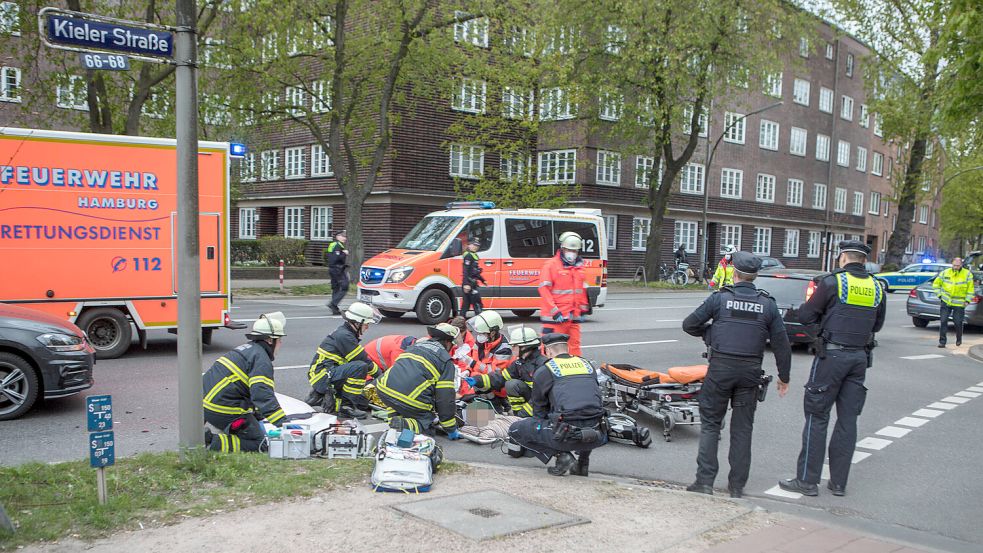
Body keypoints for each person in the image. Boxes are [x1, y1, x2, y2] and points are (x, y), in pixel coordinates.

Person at [779, 240, 886, 497]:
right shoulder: (877, 286)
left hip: (831, 357)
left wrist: (822, 327)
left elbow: (806, 315)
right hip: (859, 358)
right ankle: (838, 483)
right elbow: (877, 326)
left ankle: (807, 480)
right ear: (864, 260)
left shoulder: (833, 282)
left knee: (817, 417)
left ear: (843, 258)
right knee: (848, 421)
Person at [681, 252, 792, 498]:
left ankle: (705, 482)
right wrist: (784, 377)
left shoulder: (720, 299)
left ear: (734, 273)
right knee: (742, 430)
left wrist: (711, 335)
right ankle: (736, 487)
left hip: (720, 369)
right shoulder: (768, 304)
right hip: (750, 373)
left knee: (710, 425)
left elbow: (689, 324)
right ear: (755, 276)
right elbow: (782, 344)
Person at [508, 333, 607, 477]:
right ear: (567, 348)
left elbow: (539, 412)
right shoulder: (587, 365)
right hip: (597, 435)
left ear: (547, 351)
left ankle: (562, 456)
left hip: (565, 436)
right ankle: (582, 463)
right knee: (586, 412)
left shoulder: (546, 370)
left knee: (515, 430)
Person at [202, 312, 287, 453]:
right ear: (270, 340)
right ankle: (212, 442)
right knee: (259, 444)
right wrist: (283, 424)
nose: (281, 343)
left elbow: (246, 390)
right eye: (279, 339)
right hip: (223, 408)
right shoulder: (261, 360)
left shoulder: (247, 350)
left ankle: (212, 439)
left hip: (206, 404)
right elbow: (262, 395)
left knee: (251, 427)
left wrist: (256, 415)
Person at [376, 323, 462, 438]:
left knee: (398, 400)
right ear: (447, 342)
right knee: (426, 423)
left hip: (383, 390)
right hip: (408, 399)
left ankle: (394, 420)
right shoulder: (445, 361)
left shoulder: (415, 346)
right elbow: (444, 398)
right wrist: (450, 428)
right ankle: (402, 425)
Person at [305, 302, 380, 419]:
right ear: (357, 323)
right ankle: (347, 408)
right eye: (366, 324)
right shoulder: (345, 336)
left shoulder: (345, 333)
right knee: (360, 367)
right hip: (323, 375)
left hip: (324, 374)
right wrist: (382, 377)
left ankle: (319, 395)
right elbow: (364, 361)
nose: (367, 327)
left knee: (362, 402)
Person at [467, 326, 549, 417]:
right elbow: (501, 378)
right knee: (511, 384)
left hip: (542, 406)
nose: (511, 347)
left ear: (524, 347)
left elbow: (540, 397)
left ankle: (523, 417)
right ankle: (517, 414)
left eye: (514, 345)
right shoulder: (519, 363)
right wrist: (478, 380)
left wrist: (523, 414)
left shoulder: (542, 366)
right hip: (532, 401)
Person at [539, 231, 590, 356]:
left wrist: (583, 309)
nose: (571, 253)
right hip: (555, 318)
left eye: (574, 251)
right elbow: (544, 290)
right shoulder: (551, 265)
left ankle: (576, 372)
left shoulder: (579, 268)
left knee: (574, 347)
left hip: (573, 317)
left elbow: (581, 290)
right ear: (562, 248)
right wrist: (554, 311)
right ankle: (547, 373)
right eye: (569, 250)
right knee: (551, 349)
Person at [933, 257, 975, 348]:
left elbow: (970, 289)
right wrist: (939, 295)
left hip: (959, 303)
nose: (956, 267)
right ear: (952, 264)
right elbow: (936, 284)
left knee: (958, 322)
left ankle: (959, 338)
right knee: (943, 321)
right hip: (946, 302)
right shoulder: (945, 272)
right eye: (954, 265)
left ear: (961, 265)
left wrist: (967, 300)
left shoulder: (967, 274)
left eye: (958, 265)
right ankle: (942, 342)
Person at [325, 230, 349, 315]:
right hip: (338, 270)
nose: (344, 238)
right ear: (337, 237)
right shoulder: (337, 246)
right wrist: (344, 254)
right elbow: (335, 259)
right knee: (344, 287)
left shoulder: (333, 245)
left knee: (336, 288)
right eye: (342, 236)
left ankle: (334, 309)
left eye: (345, 236)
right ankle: (333, 304)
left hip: (333, 269)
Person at [461, 237, 487, 317]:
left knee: (466, 305)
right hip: (469, 284)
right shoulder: (468, 256)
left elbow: (474, 271)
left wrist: (483, 280)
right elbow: (466, 270)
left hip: (472, 283)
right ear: (469, 245)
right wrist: (466, 284)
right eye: (474, 245)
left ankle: (460, 322)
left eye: (477, 246)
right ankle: (480, 322)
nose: (476, 247)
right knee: (477, 304)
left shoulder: (473, 255)